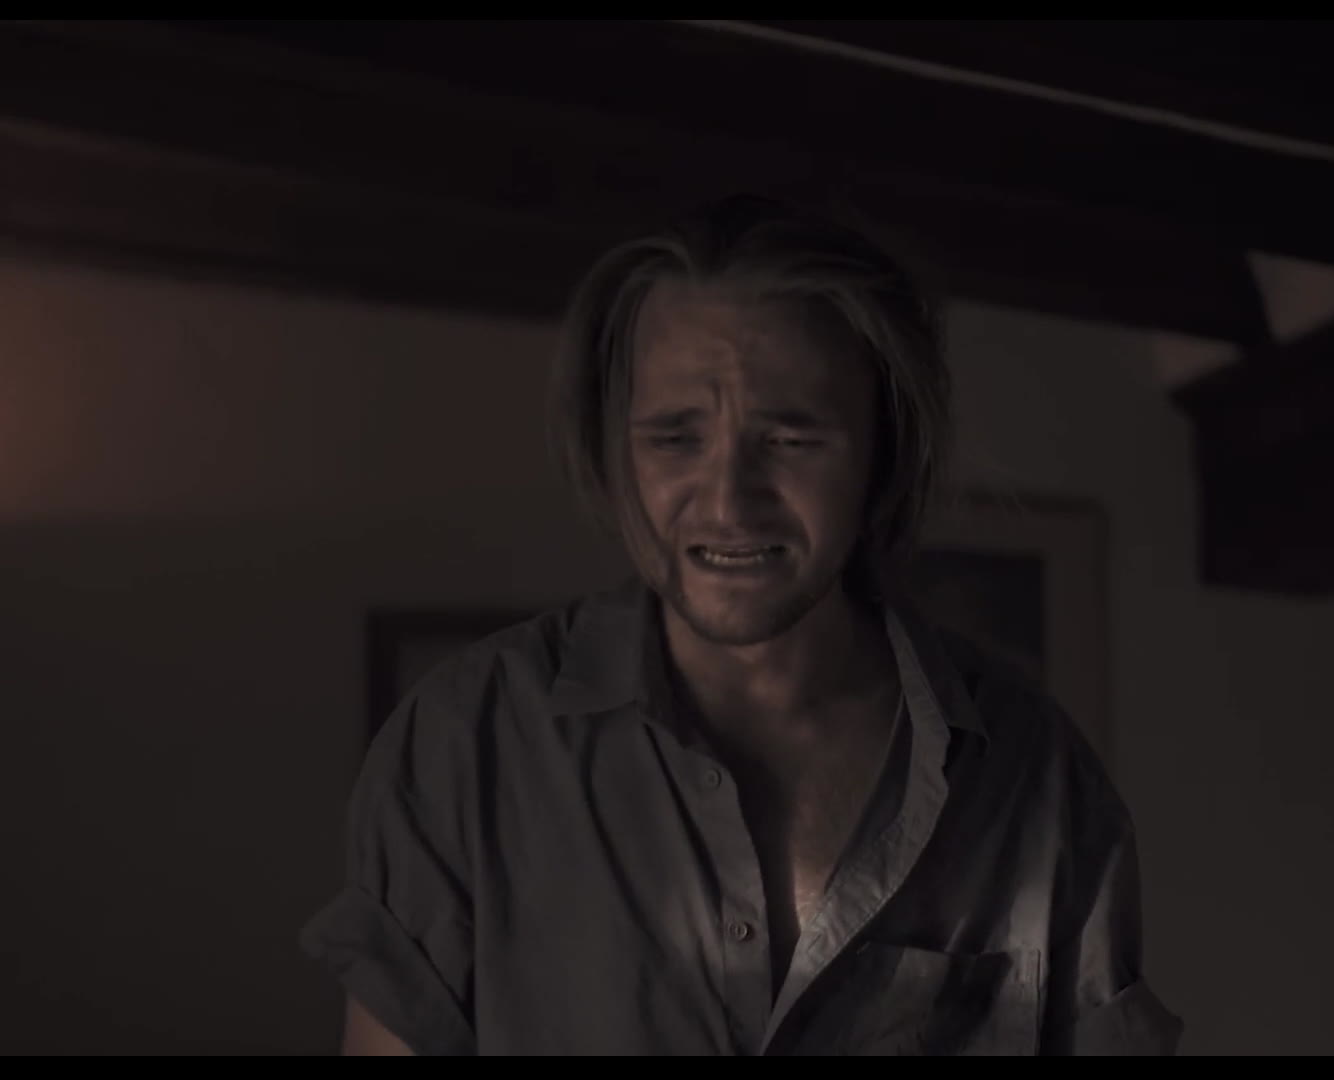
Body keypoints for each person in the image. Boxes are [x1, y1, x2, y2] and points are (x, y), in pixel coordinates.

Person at [299, 195, 1181, 1055]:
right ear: (615, 449)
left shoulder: (1037, 782)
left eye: (791, 441)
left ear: (883, 452)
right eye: (674, 438)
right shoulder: (467, 746)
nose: (728, 502)